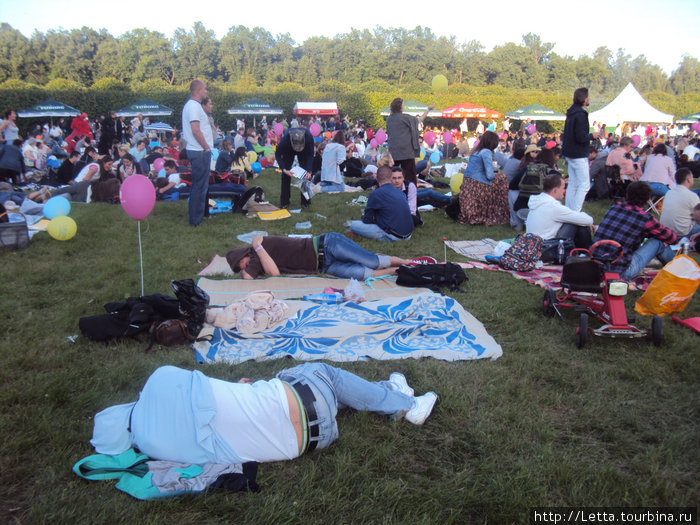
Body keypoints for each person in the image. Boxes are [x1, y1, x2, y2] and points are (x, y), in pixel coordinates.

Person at [90, 364, 437, 466]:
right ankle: (405, 405)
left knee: (313, 395)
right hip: (303, 398)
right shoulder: (159, 381)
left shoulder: (156, 449)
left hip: (311, 443)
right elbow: (209, 391)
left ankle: (387, 392)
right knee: (316, 373)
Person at [226, 233, 417, 280]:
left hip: (328, 245)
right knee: (362, 274)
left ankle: (408, 262)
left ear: (243, 255)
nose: (244, 268)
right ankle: (396, 270)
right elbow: (273, 273)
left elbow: (254, 276)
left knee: (371, 261)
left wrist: (257, 247)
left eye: (240, 264)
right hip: (323, 266)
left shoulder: (258, 251)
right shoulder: (259, 253)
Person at [593, 182, 677, 281]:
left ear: (627, 194)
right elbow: (672, 238)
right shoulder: (645, 218)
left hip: (595, 266)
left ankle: (676, 271)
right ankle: (678, 272)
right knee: (658, 242)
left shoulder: (614, 208)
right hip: (619, 272)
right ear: (648, 199)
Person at [386, 98, 434, 209]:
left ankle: (391, 198)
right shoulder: (407, 118)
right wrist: (428, 109)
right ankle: (411, 200)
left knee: (392, 177)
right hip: (407, 152)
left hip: (394, 152)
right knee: (410, 178)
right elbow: (420, 119)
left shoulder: (389, 119)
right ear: (401, 107)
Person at [526, 173, 594, 248]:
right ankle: (586, 252)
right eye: (563, 188)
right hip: (546, 248)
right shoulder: (553, 207)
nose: (564, 191)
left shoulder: (538, 202)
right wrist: (586, 223)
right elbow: (588, 220)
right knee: (577, 223)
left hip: (533, 246)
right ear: (555, 190)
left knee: (575, 220)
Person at [457, 130, 509, 226]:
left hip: (468, 183)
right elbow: (489, 175)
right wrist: (496, 174)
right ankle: (500, 210)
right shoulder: (486, 152)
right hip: (478, 184)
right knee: (503, 179)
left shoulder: (475, 150)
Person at [349, 166, 414, 242]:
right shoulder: (400, 192)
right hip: (408, 235)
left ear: (377, 179)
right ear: (390, 178)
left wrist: (366, 218)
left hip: (393, 236)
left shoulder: (375, 194)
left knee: (353, 225)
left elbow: (367, 220)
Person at [561, 87, 599, 212]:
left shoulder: (571, 114)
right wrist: (592, 136)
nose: (589, 99)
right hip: (578, 153)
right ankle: (575, 211)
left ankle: (569, 209)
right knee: (584, 185)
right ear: (584, 99)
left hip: (569, 152)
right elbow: (581, 137)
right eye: (588, 97)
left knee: (573, 182)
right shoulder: (581, 115)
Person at [182, 79, 213, 226]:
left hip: (197, 150)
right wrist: (206, 147)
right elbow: (196, 130)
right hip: (199, 151)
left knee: (199, 186)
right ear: (198, 90)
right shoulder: (194, 107)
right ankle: (195, 220)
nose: (206, 92)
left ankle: (198, 216)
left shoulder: (192, 106)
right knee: (199, 187)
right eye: (205, 89)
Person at [275, 127, 314, 209]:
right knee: (285, 176)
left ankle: (305, 202)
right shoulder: (285, 140)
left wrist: (309, 170)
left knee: (305, 175)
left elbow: (310, 155)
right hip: (288, 150)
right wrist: (284, 169)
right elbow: (278, 154)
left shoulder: (309, 139)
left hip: (304, 151)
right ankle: (284, 202)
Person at [659, 168, 700, 238]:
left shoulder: (669, 192)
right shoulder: (692, 196)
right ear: (689, 179)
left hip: (666, 231)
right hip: (682, 233)